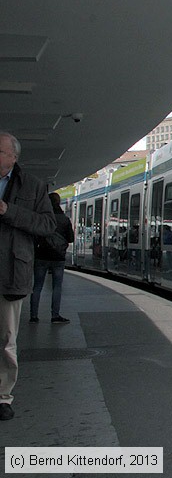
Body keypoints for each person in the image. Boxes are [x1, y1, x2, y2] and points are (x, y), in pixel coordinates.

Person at [0, 132, 56, 421]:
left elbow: (47, 225)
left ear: (13, 157)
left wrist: (9, 211)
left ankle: (2, 397)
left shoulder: (33, 186)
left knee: (7, 338)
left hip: (11, 270)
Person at [30, 192, 75, 324]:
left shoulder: (42, 218)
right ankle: (55, 316)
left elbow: (35, 236)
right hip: (58, 257)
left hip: (41, 255)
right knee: (57, 287)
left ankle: (33, 316)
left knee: (37, 287)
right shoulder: (64, 219)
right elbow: (71, 238)